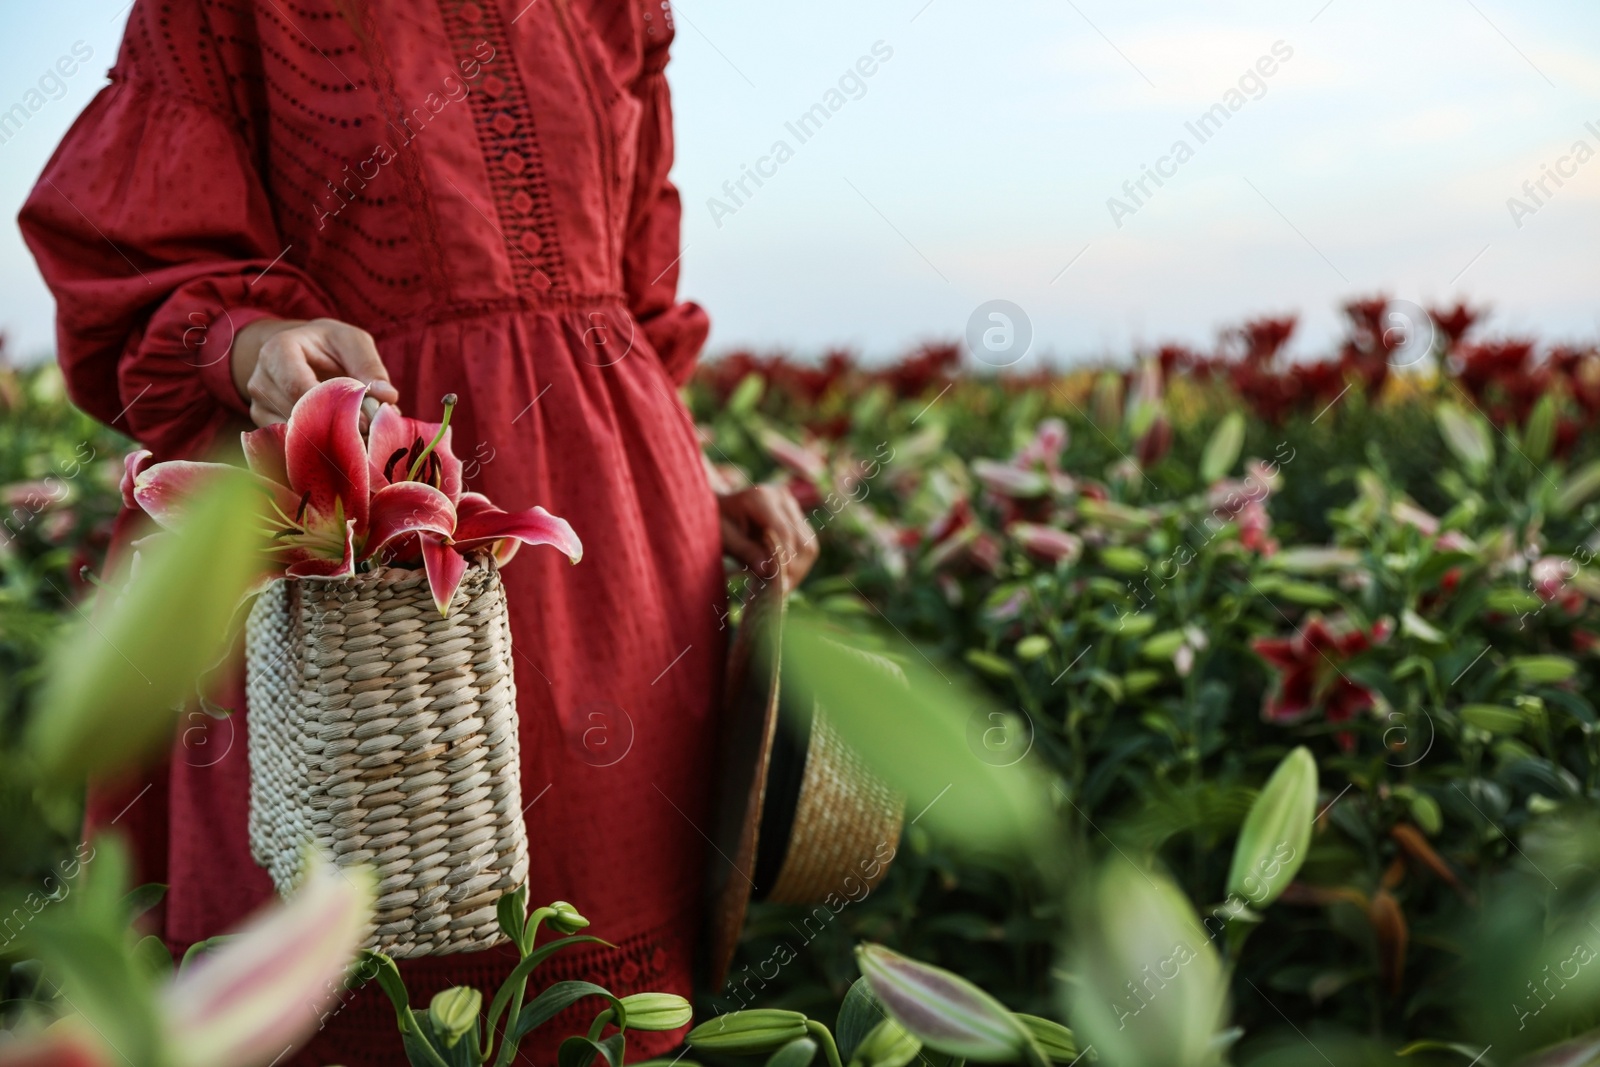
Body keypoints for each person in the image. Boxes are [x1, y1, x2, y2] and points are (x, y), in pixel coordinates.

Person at [19, 2, 817, 1062]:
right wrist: (250, 342)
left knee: (592, 994)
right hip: (347, 539)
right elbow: (126, 242)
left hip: (616, 557)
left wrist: (701, 472)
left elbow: (626, 294)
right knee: (355, 984)